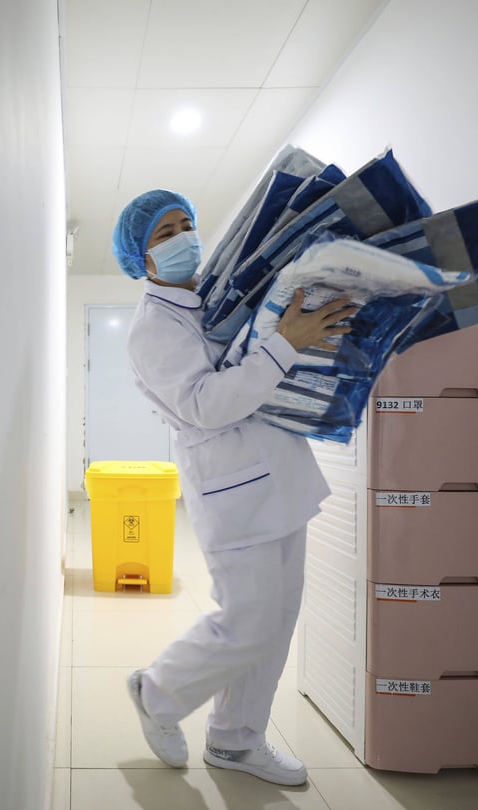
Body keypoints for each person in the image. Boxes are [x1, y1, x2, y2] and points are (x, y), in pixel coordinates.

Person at [112, 189, 357, 785]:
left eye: (187, 224)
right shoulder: (152, 327)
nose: (182, 238)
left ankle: (236, 740)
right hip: (233, 490)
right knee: (246, 619)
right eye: (164, 233)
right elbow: (205, 404)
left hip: (280, 474)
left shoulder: (209, 302)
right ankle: (159, 691)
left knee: (275, 623)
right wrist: (285, 343)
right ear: (141, 258)